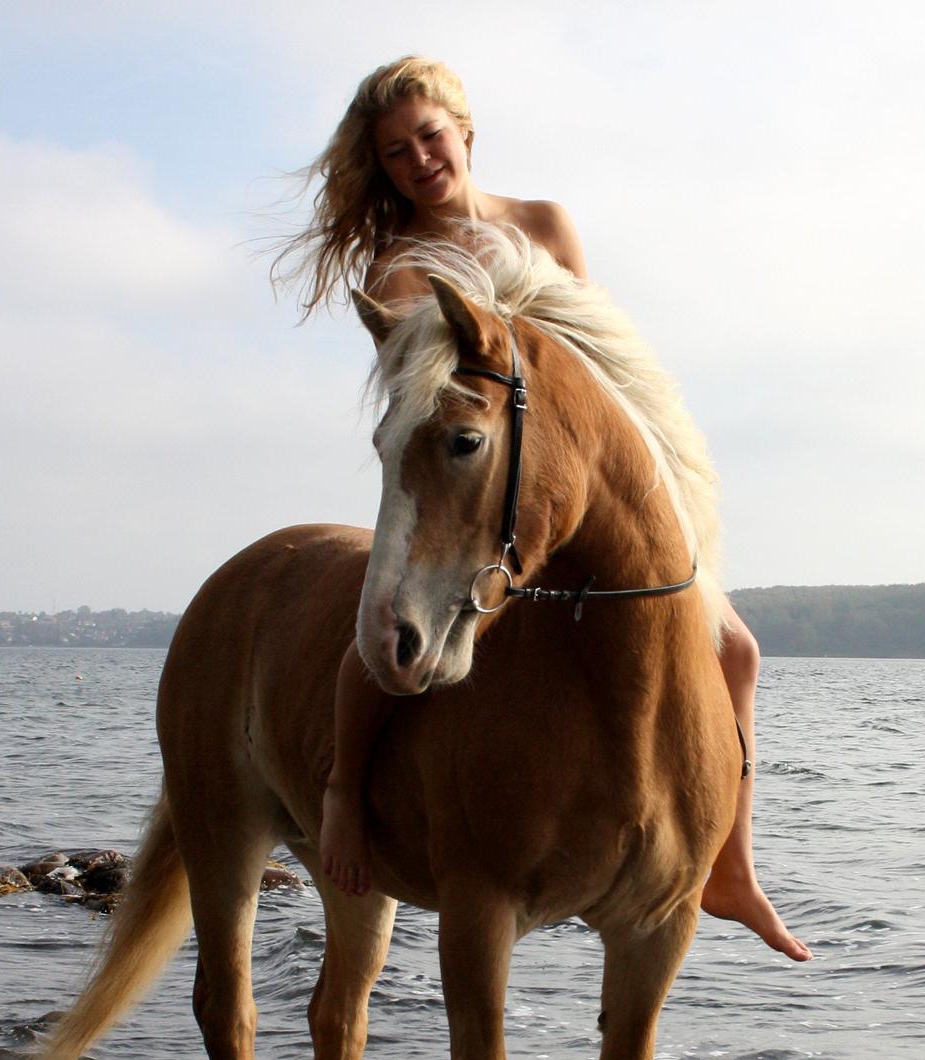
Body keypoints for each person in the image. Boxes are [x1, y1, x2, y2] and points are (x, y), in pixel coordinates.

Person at [274, 56, 811, 962]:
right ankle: (340, 796)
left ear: (466, 132)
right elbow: (435, 393)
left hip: (570, 480)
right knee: (384, 639)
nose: (418, 161)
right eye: (396, 152)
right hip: (466, 486)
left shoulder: (544, 224)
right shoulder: (402, 264)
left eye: (430, 138)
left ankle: (730, 866)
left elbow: (594, 360)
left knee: (738, 647)